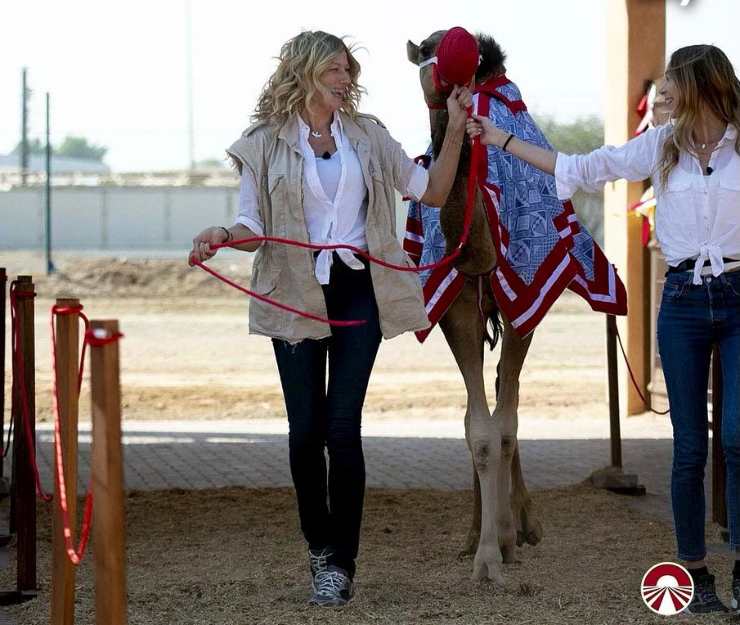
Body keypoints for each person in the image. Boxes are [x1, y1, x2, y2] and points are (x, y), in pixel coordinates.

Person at [188, 30, 471, 607]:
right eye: (335, 69)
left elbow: (432, 192)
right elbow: (250, 226)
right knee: (306, 431)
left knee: (343, 429)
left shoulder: (368, 136)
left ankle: (341, 562)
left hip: (357, 289)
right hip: (293, 289)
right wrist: (221, 234)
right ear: (306, 72)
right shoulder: (263, 143)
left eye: (348, 70)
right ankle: (318, 545)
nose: (346, 79)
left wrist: (457, 134)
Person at [467, 44, 740, 615]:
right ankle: (695, 573)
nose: (663, 100)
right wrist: (501, 139)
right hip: (685, 301)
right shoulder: (664, 145)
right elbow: (585, 168)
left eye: (673, 88)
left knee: (737, 438)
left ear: (703, 87)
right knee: (690, 447)